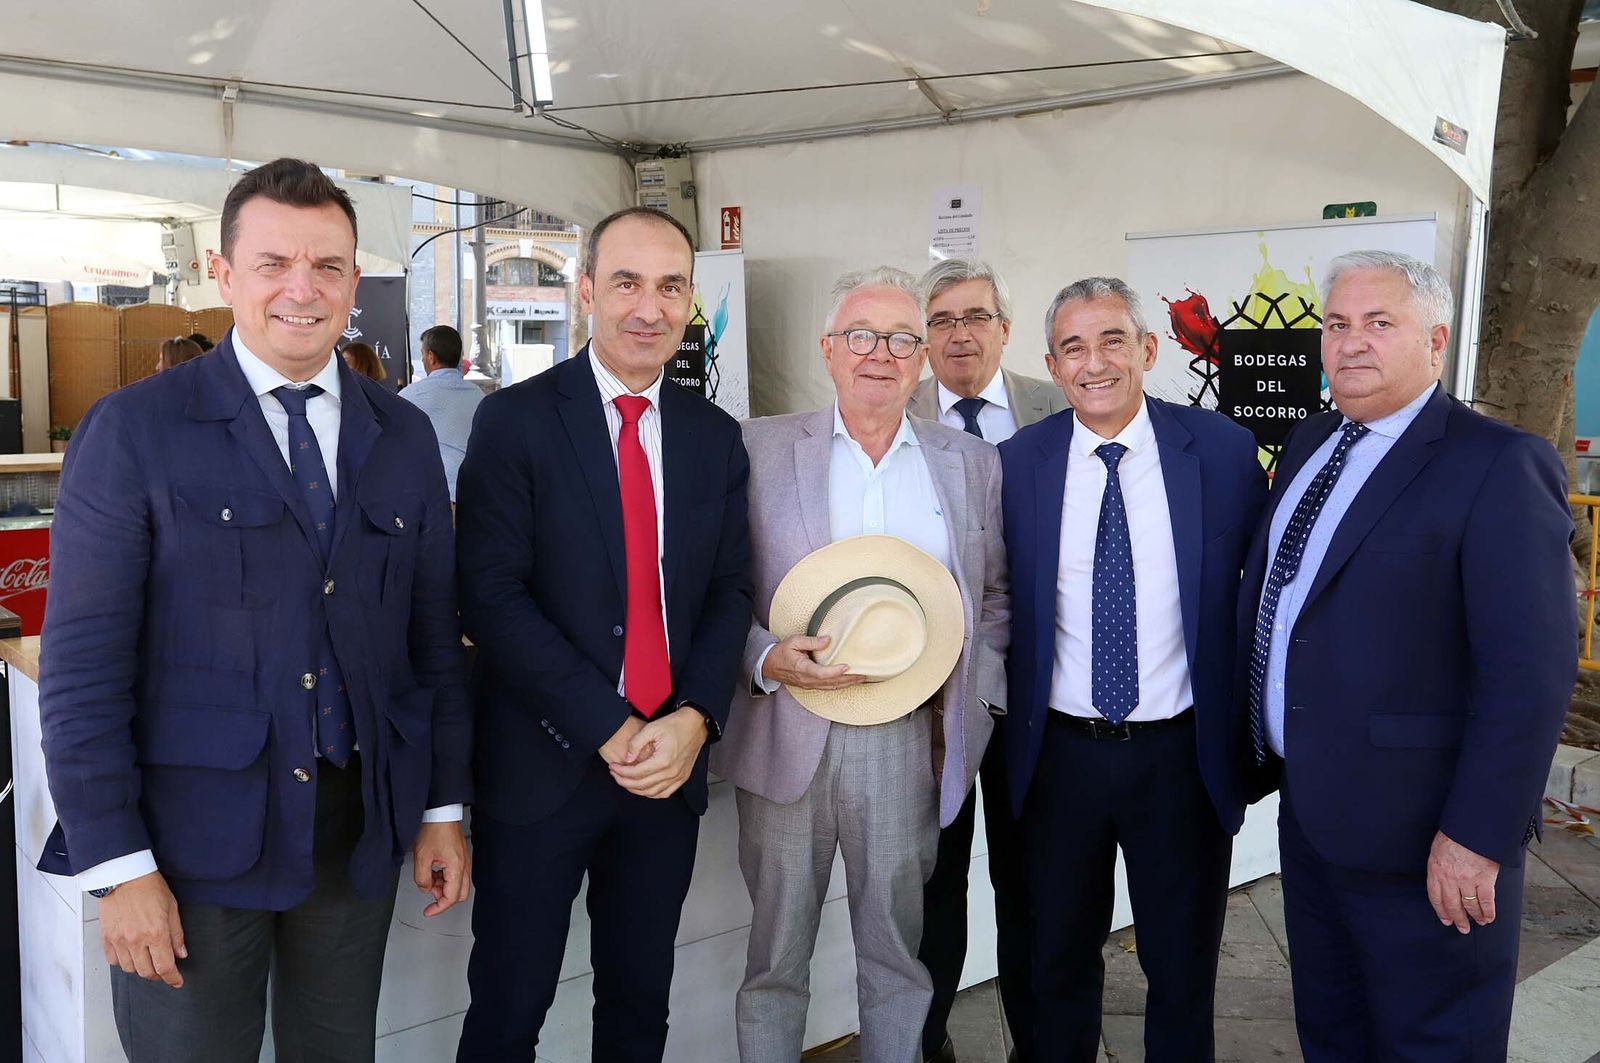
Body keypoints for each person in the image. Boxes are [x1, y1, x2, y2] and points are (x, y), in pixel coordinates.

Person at [36, 156, 471, 1063]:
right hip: (189, 842)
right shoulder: (134, 430)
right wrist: (119, 868)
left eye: (328, 266)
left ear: (355, 281)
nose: (301, 290)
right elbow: (81, 675)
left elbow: (430, 647)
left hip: (353, 830)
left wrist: (439, 807)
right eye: (273, 264)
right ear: (224, 273)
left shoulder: (404, 436)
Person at [1240, 249, 1575, 1061]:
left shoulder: (1495, 462)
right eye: (1337, 324)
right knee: (1334, 1032)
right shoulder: (1312, 439)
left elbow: (1528, 676)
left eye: (1378, 323)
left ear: (1435, 339)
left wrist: (1476, 835)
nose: (1351, 343)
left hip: (1426, 839)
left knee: (1435, 1042)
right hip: (1314, 822)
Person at [454, 206, 752, 1062]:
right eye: (627, 282)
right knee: (509, 1006)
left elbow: (730, 590)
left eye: (670, 286)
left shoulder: (713, 436)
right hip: (546, 764)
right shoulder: (515, 422)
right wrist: (612, 726)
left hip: (668, 769)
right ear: (587, 292)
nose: (648, 307)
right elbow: (491, 597)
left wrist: (694, 716)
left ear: (690, 299)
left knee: (637, 1001)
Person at [712, 266, 1008, 1063]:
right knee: (774, 960)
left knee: (897, 958)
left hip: (907, 740)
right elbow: (711, 586)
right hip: (786, 732)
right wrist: (765, 656)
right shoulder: (757, 447)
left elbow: (994, 596)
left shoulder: (970, 463)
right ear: (829, 350)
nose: (881, 353)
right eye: (862, 336)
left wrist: (976, 699)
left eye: (901, 339)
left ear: (921, 358)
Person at [998, 276, 1265, 1061]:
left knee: (1182, 973)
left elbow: (1261, 592)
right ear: (1052, 364)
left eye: (1112, 339)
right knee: (1057, 968)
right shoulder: (1017, 464)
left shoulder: (1219, 449)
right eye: (1074, 347)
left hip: (1179, 758)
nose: (1095, 362)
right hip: (1058, 761)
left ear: (1148, 350)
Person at [908, 258, 1063, 1063]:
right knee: (933, 893)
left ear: (1006, 327)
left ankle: (1038, 1048)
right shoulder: (891, 416)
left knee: (1033, 892)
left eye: (975, 316)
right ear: (923, 338)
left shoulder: (1061, 405)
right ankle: (927, 1044)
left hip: (1042, 698)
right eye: (940, 320)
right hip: (931, 702)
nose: (959, 334)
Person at [397, 324, 483, 501]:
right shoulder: (479, 396)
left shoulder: (410, 396)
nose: (422, 359)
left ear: (431, 356)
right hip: (474, 495)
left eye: (422, 353)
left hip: (429, 496)